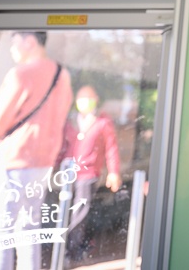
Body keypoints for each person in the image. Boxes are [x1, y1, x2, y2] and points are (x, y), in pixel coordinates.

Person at [0, 31, 73, 270]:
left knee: (1, 231)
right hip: (43, 162)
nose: (12, 50)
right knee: (28, 230)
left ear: (29, 41)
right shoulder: (62, 75)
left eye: (14, 43)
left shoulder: (21, 73)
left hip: (14, 159)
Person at [62, 85, 122, 262]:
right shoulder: (71, 121)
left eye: (88, 98)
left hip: (88, 173)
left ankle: (71, 252)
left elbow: (111, 148)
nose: (84, 102)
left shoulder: (103, 122)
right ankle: (65, 248)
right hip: (67, 172)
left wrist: (114, 172)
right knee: (64, 211)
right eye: (81, 98)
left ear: (95, 100)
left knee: (79, 213)